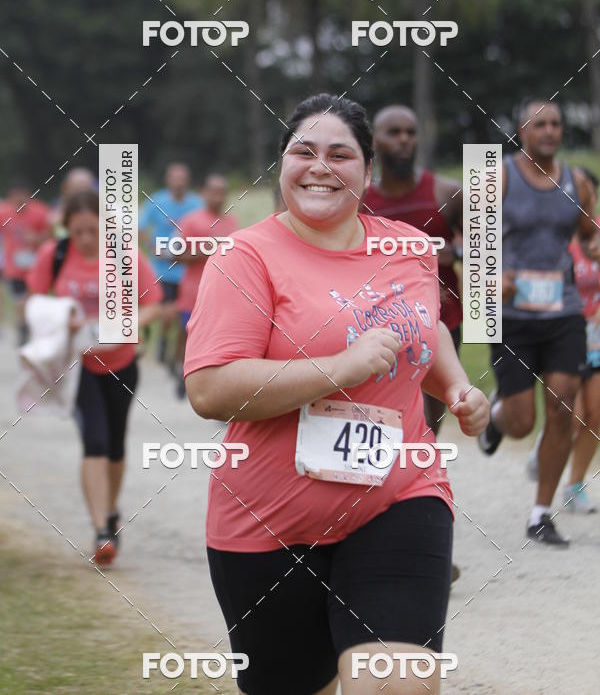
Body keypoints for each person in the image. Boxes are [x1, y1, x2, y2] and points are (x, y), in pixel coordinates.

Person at [184, 94, 489, 695]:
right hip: (267, 526)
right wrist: (338, 368)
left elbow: (422, 330)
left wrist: (455, 385)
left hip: (399, 498)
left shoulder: (407, 248)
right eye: (303, 150)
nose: (319, 165)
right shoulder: (245, 257)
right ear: (282, 166)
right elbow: (210, 390)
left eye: (340, 154)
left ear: (367, 172)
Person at [478, 101, 600, 546]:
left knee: (564, 405)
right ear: (521, 130)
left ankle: (541, 513)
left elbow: (588, 235)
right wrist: (494, 278)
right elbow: (473, 245)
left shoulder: (578, 182)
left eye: (556, 123)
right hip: (510, 317)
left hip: (564, 312)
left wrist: (592, 245)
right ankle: (497, 417)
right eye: (539, 124)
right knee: (521, 421)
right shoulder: (498, 176)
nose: (549, 131)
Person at [27, 190, 164, 564]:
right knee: (95, 441)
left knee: (116, 446)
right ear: (66, 227)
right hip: (77, 366)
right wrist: (60, 321)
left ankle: (111, 509)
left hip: (121, 363)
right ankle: (103, 529)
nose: (86, 239)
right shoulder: (53, 256)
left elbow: (154, 305)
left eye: (93, 230)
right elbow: (33, 302)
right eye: (78, 231)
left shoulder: (125, 257)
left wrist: (126, 324)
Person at [361, 106, 463, 437]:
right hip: (377, 321)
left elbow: (486, 256)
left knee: (431, 412)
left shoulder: (448, 193)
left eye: (411, 133)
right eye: (394, 133)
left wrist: (454, 253)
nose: (404, 140)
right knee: (388, 406)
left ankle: (422, 473)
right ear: (374, 140)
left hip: (441, 319)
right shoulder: (361, 201)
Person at [172, 174, 238, 397]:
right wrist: (203, 252)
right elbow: (174, 253)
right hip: (193, 291)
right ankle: (182, 373)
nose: (218, 197)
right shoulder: (192, 220)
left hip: (223, 293)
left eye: (222, 192)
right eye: (213, 191)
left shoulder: (231, 223)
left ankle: (213, 383)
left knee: (220, 339)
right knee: (187, 334)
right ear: (204, 193)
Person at [139, 163, 203, 366]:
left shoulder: (197, 203)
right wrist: (152, 247)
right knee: (166, 312)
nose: (178, 182)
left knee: (181, 313)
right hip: (162, 270)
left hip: (187, 270)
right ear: (168, 180)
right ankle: (163, 342)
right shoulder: (156, 201)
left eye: (182, 178)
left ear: (188, 181)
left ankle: (178, 352)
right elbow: (141, 227)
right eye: (175, 178)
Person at [563, 167, 600, 512]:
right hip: (566, 332)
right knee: (572, 417)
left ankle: (575, 485)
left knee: (596, 414)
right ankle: (544, 449)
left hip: (598, 336)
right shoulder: (553, 232)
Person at [0, 182, 52, 345]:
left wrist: (36, 238)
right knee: (19, 300)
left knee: (34, 299)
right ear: (11, 197)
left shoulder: (40, 211)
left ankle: (33, 326)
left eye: (22, 196)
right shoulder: (4, 212)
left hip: (35, 265)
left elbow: (50, 235)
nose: (19, 200)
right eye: (16, 197)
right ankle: (23, 327)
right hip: (14, 266)